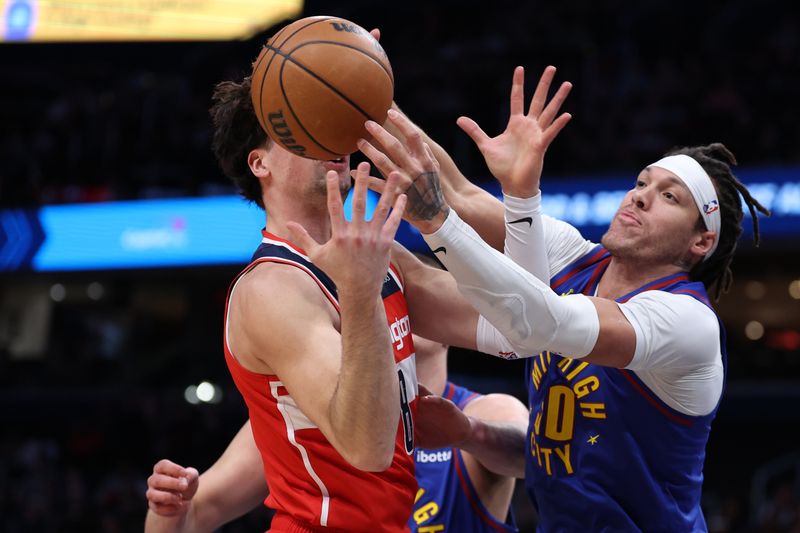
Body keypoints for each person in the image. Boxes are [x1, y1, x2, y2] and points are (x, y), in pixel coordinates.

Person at [357, 65, 770, 531]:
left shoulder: (685, 321)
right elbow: (455, 192)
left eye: (669, 197)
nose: (639, 198)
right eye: (641, 183)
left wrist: (506, 201)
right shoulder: (574, 257)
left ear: (700, 242)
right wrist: (364, 102)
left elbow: (539, 324)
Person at [203, 74, 529, 533]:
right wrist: (360, 294)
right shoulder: (271, 288)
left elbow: (518, 323)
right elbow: (367, 445)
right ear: (260, 163)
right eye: (301, 128)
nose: (327, 134)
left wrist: (516, 198)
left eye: (331, 119)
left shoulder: (382, 255)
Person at [145, 331, 529, 533]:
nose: (398, 306)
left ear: (445, 325)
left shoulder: (485, 410)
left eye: (414, 293)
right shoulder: (302, 413)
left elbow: (535, 460)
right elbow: (195, 515)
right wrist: (168, 507)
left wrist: (467, 434)